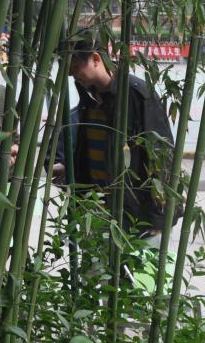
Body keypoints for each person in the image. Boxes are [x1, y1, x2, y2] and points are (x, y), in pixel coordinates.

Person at [55, 39, 178, 242]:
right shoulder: (89, 98)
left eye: (75, 68)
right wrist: (70, 169)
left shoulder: (137, 94)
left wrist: (160, 217)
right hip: (96, 209)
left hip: (135, 216)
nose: (72, 75)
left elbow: (161, 156)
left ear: (96, 59)